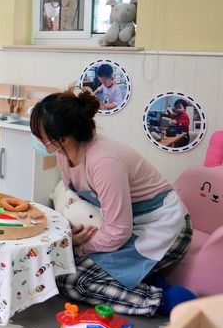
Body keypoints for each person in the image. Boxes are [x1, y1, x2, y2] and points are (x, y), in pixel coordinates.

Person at [30, 89, 195, 316]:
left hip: (163, 228)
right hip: (122, 225)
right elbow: (83, 204)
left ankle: (162, 300)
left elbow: (118, 231)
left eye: (41, 135)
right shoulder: (64, 154)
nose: (38, 140)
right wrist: (71, 237)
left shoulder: (104, 162)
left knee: (70, 281)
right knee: (55, 266)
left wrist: (79, 249)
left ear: (63, 138)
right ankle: (142, 277)